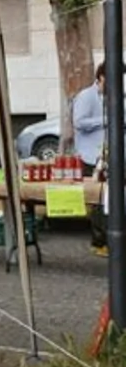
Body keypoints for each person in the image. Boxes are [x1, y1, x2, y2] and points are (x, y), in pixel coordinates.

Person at [74, 62, 107, 257]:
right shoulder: (86, 96)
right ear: (102, 76)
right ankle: (99, 242)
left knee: (112, 199)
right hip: (92, 155)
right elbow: (79, 122)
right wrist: (105, 119)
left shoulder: (118, 96)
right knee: (98, 200)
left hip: (113, 154)